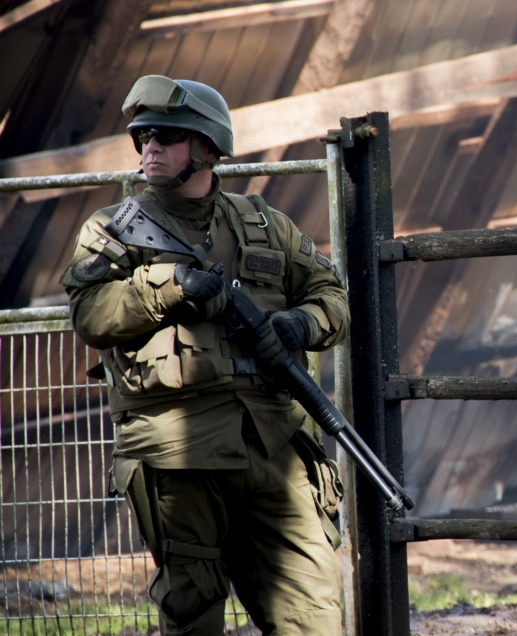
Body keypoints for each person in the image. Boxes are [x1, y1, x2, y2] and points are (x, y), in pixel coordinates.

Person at [60, 75, 349, 636]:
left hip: (274, 447)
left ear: (209, 148)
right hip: (178, 451)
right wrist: (169, 287)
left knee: (315, 615)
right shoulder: (112, 231)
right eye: (143, 136)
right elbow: (90, 315)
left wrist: (296, 325)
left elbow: (332, 297)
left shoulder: (265, 224)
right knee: (193, 614)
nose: (150, 148)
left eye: (167, 136)